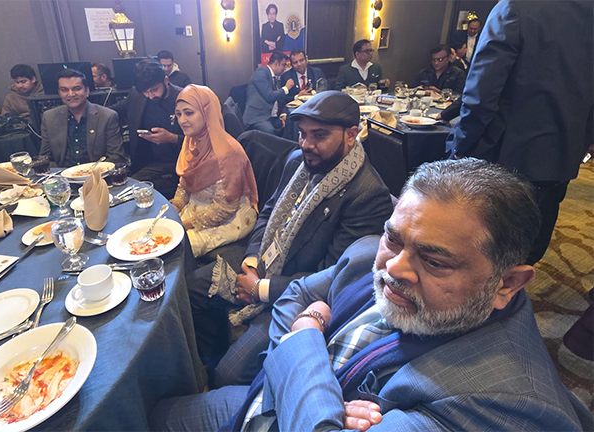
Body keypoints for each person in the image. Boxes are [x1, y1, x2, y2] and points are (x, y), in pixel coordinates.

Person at [150, 158, 594, 432]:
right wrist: (319, 396)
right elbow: (299, 292)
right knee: (151, 417)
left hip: (286, 392)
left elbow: (301, 321)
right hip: (266, 398)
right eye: (394, 239)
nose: (395, 267)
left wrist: (306, 340)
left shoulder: (504, 406)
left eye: (434, 261)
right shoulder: (369, 253)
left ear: (507, 284)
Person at [189, 91, 393, 388]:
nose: (306, 144)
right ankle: (210, 358)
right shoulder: (299, 161)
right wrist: (252, 261)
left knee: (229, 373)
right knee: (191, 289)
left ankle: (235, 391)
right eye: (302, 134)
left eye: (319, 135)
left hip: (298, 295)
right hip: (263, 261)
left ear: (351, 135)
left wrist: (260, 289)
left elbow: (333, 276)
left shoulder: (367, 195)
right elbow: (268, 211)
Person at [448, 0, 594, 265]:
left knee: (484, 252)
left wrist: (460, 146)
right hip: (563, 157)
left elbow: (481, 94)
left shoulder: (514, 8)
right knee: (528, 251)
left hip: (506, 160)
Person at [171, 85, 259, 258]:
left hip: (229, 217)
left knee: (174, 250)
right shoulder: (190, 142)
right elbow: (184, 185)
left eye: (189, 113)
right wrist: (175, 207)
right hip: (196, 209)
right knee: (157, 236)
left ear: (207, 112)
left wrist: (182, 223)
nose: (182, 120)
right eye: (178, 114)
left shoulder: (228, 153)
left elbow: (225, 209)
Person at [113, 60, 184, 198]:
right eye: (146, 92)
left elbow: (202, 139)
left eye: (154, 90)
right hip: (152, 163)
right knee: (127, 192)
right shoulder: (137, 95)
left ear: (166, 80)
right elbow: (115, 111)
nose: (150, 96)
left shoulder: (183, 97)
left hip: (182, 161)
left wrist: (172, 138)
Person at [39, 68, 125, 167]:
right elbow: (44, 158)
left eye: (76, 88)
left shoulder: (107, 117)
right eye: (64, 90)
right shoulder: (49, 118)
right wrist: (61, 174)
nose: (71, 94)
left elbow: (116, 157)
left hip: (98, 174)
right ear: (59, 93)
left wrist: (91, 172)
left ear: (87, 91)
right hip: (62, 174)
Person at [242, 51, 294, 135]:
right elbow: (269, 96)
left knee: (290, 124)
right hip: (257, 117)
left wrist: (283, 114)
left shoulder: (274, 78)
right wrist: (286, 88)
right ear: (276, 63)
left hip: (271, 116)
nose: (285, 68)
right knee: (270, 131)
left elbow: (281, 100)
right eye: (283, 65)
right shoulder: (260, 73)